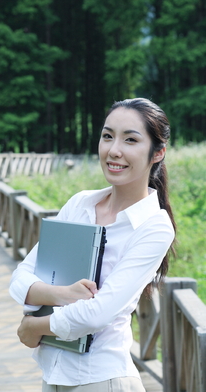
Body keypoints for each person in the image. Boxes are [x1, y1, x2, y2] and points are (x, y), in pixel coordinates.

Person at [9, 98, 176, 392]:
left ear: (157, 153)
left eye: (130, 140)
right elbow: (21, 277)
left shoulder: (154, 227)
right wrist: (63, 293)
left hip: (102, 379)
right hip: (53, 375)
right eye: (107, 136)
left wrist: (35, 325)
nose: (114, 150)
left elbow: (99, 313)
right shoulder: (80, 204)